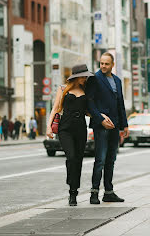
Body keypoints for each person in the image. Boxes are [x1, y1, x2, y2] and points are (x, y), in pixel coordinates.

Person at [46, 64, 94, 206]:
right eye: (83, 75)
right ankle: (71, 183)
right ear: (76, 76)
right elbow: (55, 108)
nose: (85, 78)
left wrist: (101, 116)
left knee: (78, 160)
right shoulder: (63, 89)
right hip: (65, 128)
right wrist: (48, 127)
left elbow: (89, 111)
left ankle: (73, 192)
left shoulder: (85, 90)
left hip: (80, 128)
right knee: (71, 156)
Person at [86, 52, 129, 204]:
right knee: (100, 160)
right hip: (101, 126)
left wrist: (124, 125)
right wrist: (100, 119)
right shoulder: (94, 79)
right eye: (101, 63)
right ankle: (94, 193)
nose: (103, 66)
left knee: (111, 159)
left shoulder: (117, 80)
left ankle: (108, 192)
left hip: (115, 125)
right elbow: (89, 103)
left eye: (106, 64)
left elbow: (120, 104)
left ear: (112, 65)